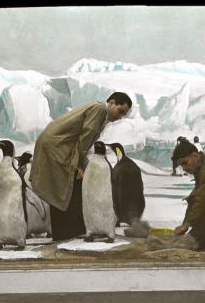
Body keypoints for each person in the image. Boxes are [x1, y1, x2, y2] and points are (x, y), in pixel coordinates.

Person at [29, 92, 132, 241]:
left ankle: (70, 232)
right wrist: (77, 164)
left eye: (123, 114)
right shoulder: (100, 110)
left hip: (56, 144)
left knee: (66, 184)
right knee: (65, 185)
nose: (120, 117)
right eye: (120, 111)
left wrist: (80, 163)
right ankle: (66, 233)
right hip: (57, 145)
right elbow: (86, 136)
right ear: (111, 103)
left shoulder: (100, 112)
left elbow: (84, 141)